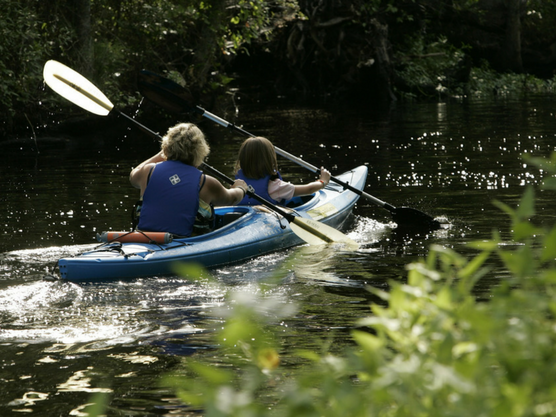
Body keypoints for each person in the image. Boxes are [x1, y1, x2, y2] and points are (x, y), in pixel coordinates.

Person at [130, 122, 248, 236]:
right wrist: (240, 188)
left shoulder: (148, 171)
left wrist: (163, 153)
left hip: (145, 238)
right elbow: (232, 198)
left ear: (166, 147)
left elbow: (133, 175)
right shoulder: (206, 182)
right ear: (201, 151)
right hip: (186, 242)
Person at [234, 136, 331, 206]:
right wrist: (323, 181)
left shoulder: (237, 185)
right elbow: (309, 189)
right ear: (270, 160)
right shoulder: (277, 186)